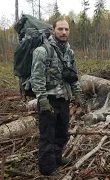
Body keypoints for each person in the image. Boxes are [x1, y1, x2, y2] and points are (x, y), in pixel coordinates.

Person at [30, 17, 82, 176]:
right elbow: (36, 78)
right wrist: (43, 100)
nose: (64, 32)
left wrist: (77, 94)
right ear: (53, 30)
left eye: (66, 29)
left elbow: (74, 76)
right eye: (60, 29)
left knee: (62, 133)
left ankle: (57, 158)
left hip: (64, 100)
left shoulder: (69, 52)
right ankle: (47, 168)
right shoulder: (42, 51)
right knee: (47, 135)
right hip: (49, 101)